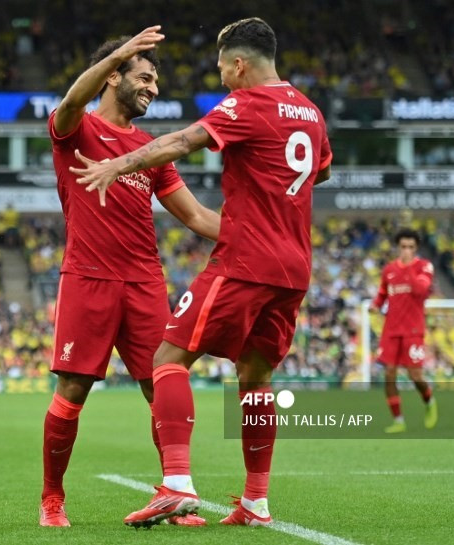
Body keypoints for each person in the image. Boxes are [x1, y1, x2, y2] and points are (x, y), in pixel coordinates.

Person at [71, 17, 332, 527]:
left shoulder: (246, 103)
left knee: (168, 359)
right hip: (295, 265)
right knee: (256, 377)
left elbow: (182, 141)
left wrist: (117, 165)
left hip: (246, 259)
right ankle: (256, 503)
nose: (222, 79)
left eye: (222, 69)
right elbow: (319, 171)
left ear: (240, 64)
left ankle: (176, 484)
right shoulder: (310, 111)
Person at [39, 26, 220, 528]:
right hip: (88, 278)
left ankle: (174, 492)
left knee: (162, 387)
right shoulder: (75, 128)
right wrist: (120, 51)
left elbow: (197, 217)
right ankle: (52, 499)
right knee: (73, 391)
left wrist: (259, 235)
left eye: (155, 81)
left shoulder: (149, 149)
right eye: (144, 77)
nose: (153, 88)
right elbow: (72, 100)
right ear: (113, 76)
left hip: (144, 284)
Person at [369, 228, 437, 433]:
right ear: (398, 247)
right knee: (389, 374)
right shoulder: (389, 270)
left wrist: (408, 268)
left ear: (416, 248)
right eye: (403, 246)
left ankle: (429, 401)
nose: (406, 250)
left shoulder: (424, 267)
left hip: (413, 329)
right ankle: (398, 420)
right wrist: (375, 305)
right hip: (391, 330)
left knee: (415, 374)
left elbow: (421, 290)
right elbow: (383, 293)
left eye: (410, 247)